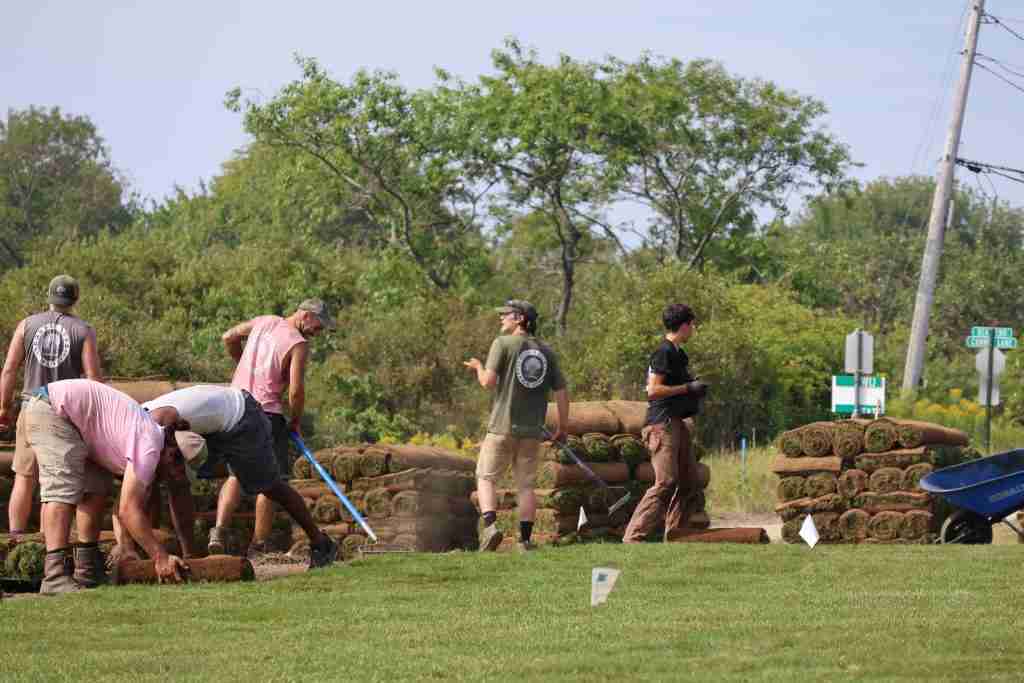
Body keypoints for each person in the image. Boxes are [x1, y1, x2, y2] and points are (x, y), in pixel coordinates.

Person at [18, 379, 189, 594]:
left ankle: (87, 570)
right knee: (62, 490)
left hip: (80, 422)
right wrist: (160, 557)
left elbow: (122, 506)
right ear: (172, 452)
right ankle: (55, 576)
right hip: (52, 408)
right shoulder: (149, 446)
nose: (175, 476)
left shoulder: (150, 443)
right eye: (177, 468)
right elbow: (128, 510)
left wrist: (127, 548)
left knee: (96, 489)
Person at [140, 384, 338, 568]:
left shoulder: (157, 422)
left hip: (242, 416)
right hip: (214, 424)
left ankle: (321, 543)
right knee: (158, 482)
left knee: (269, 487)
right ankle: (180, 555)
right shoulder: (136, 424)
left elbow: (175, 484)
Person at [211, 299, 336, 556]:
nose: (318, 332)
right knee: (269, 479)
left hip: (234, 405)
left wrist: (242, 364)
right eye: (319, 325)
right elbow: (296, 392)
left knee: (235, 474)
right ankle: (259, 545)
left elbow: (228, 337)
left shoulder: (264, 321)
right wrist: (295, 421)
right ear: (306, 315)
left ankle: (218, 532)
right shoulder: (298, 344)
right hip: (265, 413)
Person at [0, 275, 104, 553]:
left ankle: (15, 538)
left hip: (29, 405)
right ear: (75, 299)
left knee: (24, 476)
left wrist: (3, 408)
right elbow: (94, 378)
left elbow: (9, 369)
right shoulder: (83, 330)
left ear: (48, 296)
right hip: (63, 413)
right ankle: (51, 546)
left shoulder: (27, 325)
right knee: (54, 479)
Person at [464, 299, 568, 552]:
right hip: (532, 432)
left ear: (520, 319)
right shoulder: (547, 352)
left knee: (485, 477)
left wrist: (478, 367)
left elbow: (488, 383)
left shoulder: (502, 344)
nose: (502, 319)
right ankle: (525, 541)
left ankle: (490, 527)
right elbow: (562, 392)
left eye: (506, 315)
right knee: (526, 486)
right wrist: (562, 427)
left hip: (501, 428)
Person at [623, 303, 708, 543]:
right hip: (662, 425)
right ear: (683, 326)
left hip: (676, 423)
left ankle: (676, 534)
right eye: (692, 324)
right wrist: (687, 387)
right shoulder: (664, 351)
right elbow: (653, 390)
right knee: (666, 481)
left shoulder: (679, 353)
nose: (694, 328)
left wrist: (694, 389)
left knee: (689, 481)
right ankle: (634, 536)